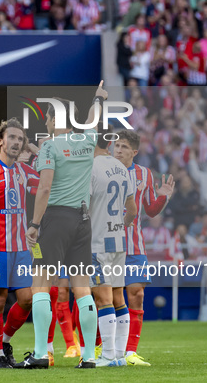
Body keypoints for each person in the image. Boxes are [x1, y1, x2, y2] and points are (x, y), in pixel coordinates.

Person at [21, 81, 108, 369]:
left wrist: (34, 225)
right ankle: (89, 357)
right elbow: (94, 120)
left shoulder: (50, 147)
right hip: (83, 222)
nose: (46, 120)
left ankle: (40, 354)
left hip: (56, 220)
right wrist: (98, 99)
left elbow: (44, 189)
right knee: (82, 288)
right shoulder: (86, 141)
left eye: (47, 116)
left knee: (40, 285)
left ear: (54, 119)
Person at [0, 118, 38, 368]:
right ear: (0, 140)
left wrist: (39, 152)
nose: (16, 142)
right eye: (11, 137)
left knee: (27, 298)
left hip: (21, 248)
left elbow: (48, 185)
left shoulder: (24, 172)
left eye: (20, 139)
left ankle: (5, 341)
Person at [113, 129, 174, 367]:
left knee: (136, 295)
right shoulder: (102, 170)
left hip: (135, 246)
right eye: (116, 146)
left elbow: (149, 211)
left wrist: (163, 197)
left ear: (134, 152)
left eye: (124, 147)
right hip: (108, 246)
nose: (118, 150)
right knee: (107, 298)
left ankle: (130, 353)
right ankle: (104, 349)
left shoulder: (144, 175)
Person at [89, 137, 136, 367]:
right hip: (119, 241)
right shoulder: (122, 168)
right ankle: (118, 355)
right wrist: (118, 224)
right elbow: (133, 210)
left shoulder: (90, 167)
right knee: (119, 297)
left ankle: (107, 355)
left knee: (103, 298)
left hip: (98, 242)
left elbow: (82, 205)